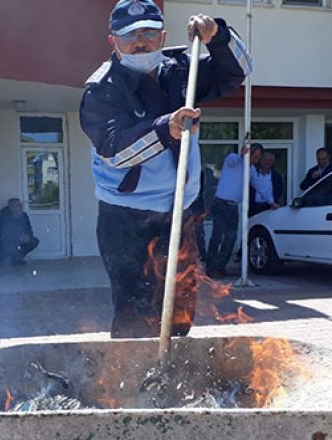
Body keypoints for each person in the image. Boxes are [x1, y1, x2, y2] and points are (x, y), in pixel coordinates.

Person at [80, 0, 251, 338]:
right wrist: (164, 129)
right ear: (113, 41)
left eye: (148, 32)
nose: (140, 41)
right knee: (135, 315)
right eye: (130, 35)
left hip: (180, 213)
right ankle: (132, 386)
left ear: (163, 36)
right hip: (126, 218)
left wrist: (217, 36)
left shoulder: (181, 68)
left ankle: (173, 379)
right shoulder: (102, 89)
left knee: (179, 310)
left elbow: (238, 71)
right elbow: (115, 151)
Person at [206, 144, 262, 278]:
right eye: (254, 157)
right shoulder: (233, 159)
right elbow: (233, 161)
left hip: (233, 206)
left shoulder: (252, 169)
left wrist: (271, 201)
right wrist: (241, 156)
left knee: (231, 237)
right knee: (218, 236)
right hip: (220, 203)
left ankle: (221, 266)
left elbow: (259, 185)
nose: (255, 160)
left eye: (257, 158)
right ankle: (211, 268)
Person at [0, 198, 39, 267]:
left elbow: (29, 229)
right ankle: (8, 259)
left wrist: (27, 236)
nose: (19, 207)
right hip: (6, 241)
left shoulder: (24, 215)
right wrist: (18, 237)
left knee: (34, 241)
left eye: (19, 205)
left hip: (20, 240)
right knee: (8, 246)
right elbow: (3, 232)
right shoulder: (4, 215)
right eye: (16, 206)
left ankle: (17, 258)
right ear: (11, 207)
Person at [249, 149, 284, 216]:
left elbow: (279, 190)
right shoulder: (252, 173)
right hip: (253, 207)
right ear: (260, 160)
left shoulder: (276, 176)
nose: (267, 162)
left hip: (270, 207)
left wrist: (274, 202)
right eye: (265, 160)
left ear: (273, 162)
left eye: (270, 160)